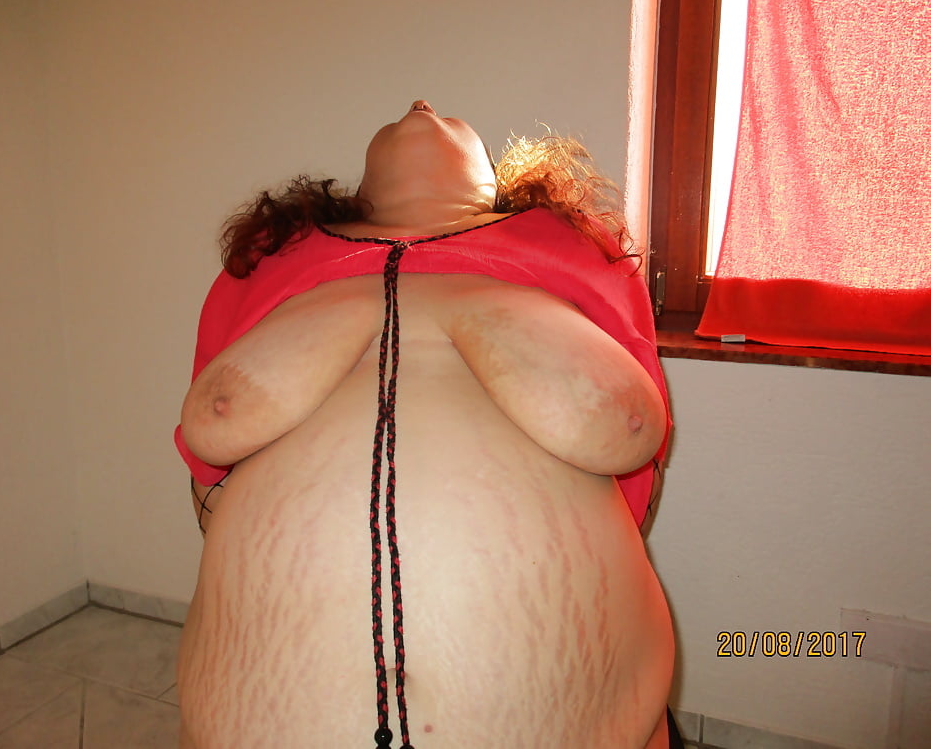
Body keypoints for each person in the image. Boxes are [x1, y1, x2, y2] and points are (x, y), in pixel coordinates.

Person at [175, 100, 678, 748]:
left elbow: (638, 473)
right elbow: (207, 475)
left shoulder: (583, 250)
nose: (421, 103)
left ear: (500, 186)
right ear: (349, 198)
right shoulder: (265, 265)